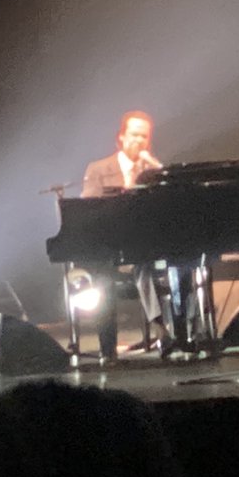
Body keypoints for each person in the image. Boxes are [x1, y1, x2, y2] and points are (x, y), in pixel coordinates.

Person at [81, 110, 167, 358]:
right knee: (103, 279)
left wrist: (158, 172)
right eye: (134, 135)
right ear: (121, 137)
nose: (138, 141)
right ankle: (109, 349)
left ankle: (169, 333)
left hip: (144, 246)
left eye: (144, 136)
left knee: (161, 265)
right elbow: (89, 209)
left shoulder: (154, 172)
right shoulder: (99, 169)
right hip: (109, 246)